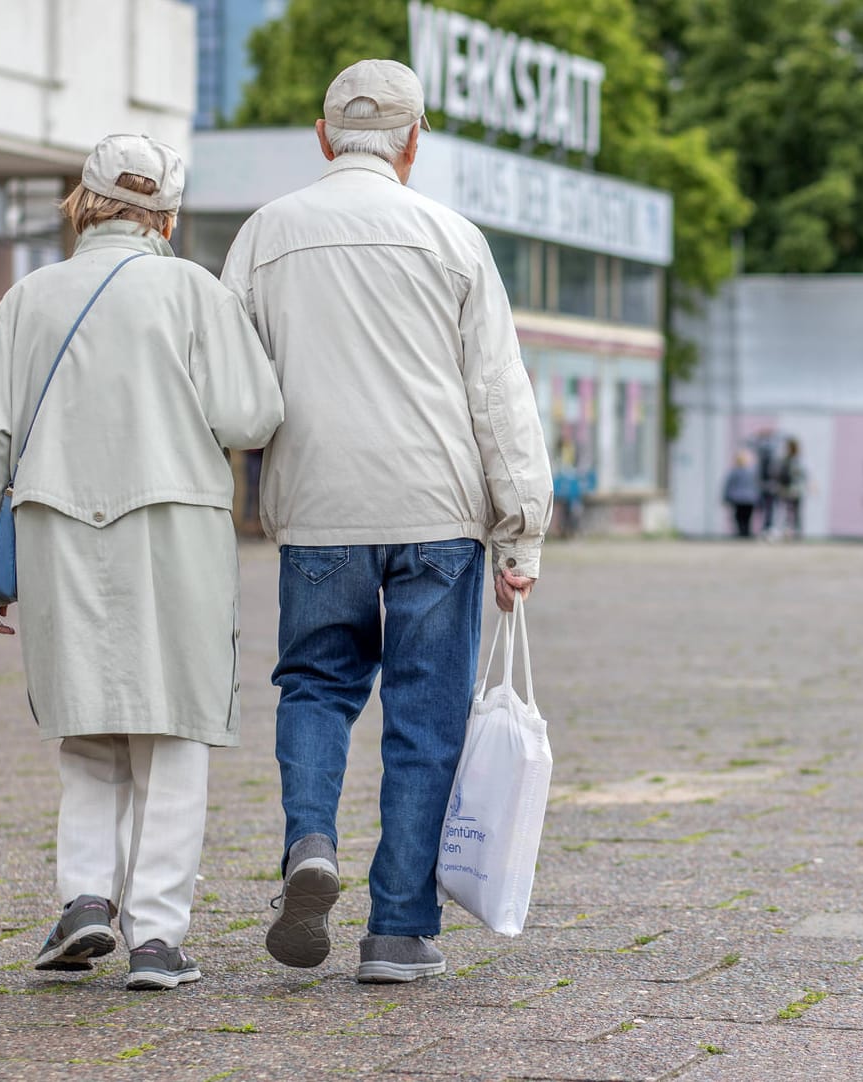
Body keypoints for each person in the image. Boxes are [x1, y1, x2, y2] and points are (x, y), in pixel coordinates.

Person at [219, 59, 553, 985]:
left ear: (324, 137)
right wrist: (519, 529)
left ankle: (311, 841)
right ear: (414, 141)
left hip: (320, 506)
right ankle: (399, 931)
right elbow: (498, 393)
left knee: (317, 686)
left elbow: (230, 383)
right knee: (425, 715)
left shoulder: (264, 234)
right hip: (438, 512)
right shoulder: (452, 237)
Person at [0, 135, 283, 992]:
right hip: (173, 525)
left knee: (90, 728)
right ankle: (158, 940)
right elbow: (250, 415)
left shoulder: (27, 298)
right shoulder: (191, 291)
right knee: (175, 732)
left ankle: (86, 902)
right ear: (166, 213)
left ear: (84, 200)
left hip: (58, 528)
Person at [722, 449, 760, 538]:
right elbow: (756, 486)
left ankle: (742, 533)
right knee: (747, 517)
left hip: (737, 498)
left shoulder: (734, 472)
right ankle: (746, 533)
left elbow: (729, 485)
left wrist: (726, 497)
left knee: (739, 517)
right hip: (749, 498)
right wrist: (758, 498)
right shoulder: (751, 472)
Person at [776, 437, 807, 540]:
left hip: (795, 489)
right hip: (787, 489)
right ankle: (787, 531)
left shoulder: (797, 460)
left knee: (795, 512)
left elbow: (803, 475)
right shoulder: (785, 460)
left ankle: (796, 532)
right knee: (787, 512)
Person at [753, 429, 781, 537]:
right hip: (767, 486)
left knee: (768, 509)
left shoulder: (764, 453)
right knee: (768, 509)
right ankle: (768, 527)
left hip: (767, 486)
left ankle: (768, 527)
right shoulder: (769, 454)